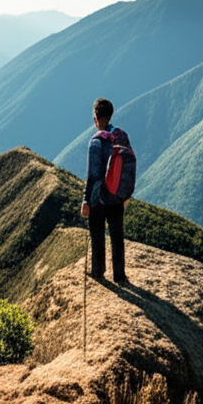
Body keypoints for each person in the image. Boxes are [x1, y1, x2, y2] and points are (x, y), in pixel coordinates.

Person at [81, 97, 127, 282]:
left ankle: (98, 272)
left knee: (97, 234)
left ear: (96, 118)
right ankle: (120, 275)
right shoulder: (121, 137)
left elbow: (92, 175)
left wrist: (86, 200)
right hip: (117, 196)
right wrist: (124, 193)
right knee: (117, 236)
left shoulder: (96, 142)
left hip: (99, 198)